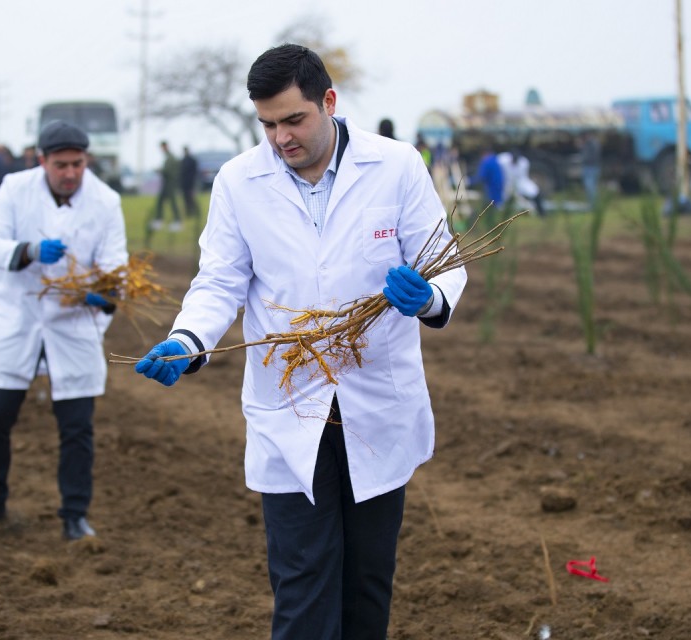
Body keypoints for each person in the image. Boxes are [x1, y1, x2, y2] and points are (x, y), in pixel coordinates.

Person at [133, 44, 467, 639]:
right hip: (289, 407)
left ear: (329, 103)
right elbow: (220, 280)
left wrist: (430, 297)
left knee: (367, 583)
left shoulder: (396, 165)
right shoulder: (239, 181)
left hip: (376, 406)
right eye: (267, 124)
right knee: (303, 583)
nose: (281, 137)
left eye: (294, 120)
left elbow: (443, 260)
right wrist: (188, 339)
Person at [0, 120, 128, 540]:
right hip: (19, 316)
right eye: (61, 164)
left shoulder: (105, 201)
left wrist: (105, 292)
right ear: (42, 161)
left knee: (77, 426)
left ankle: (74, 514)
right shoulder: (15, 189)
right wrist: (27, 251)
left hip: (72, 325)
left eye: (78, 164)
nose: (70, 173)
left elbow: (116, 264)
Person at [151, 140, 183, 231]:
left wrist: (160, 171)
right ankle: (159, 220)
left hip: (170, 184)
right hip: (167, 183)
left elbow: (169, 171)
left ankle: (177, 221)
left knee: (172, 203)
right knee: (161, 202)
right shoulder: (169, 157)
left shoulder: (170, 157)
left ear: (165, 146)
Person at [509, 149, 546, 217]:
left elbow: (523, 177)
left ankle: (541, 213)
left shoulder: (524, 162)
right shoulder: (504, 160)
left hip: (521, 182)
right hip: (509, 184)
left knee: (534, 191)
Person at [580, 132, 601, 209]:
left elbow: (590, 156)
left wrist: (584, 159)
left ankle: (593, 205)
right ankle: (592, 204)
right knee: (591, 187)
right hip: (592, 167)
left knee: (590, 186)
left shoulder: (591, 144)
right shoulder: (592, 144)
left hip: (590, 167)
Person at [179, 145, 200, 219]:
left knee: (191, 198)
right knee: (186, 199)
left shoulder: (189, 160)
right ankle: (190, 213)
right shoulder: (185, 160)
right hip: (186, 184)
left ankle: (195, 212)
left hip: (190, 183)